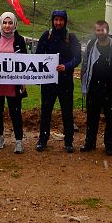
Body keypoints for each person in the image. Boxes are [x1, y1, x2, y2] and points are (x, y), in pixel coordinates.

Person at [35, 10, 81, 153]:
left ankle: (68, 141)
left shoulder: (71, 37)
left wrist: (66, 66)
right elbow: (38, 55)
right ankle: (43, 140)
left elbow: (77, 58)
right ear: (52, 21)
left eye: (61, 20)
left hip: (65, 81)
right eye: (56, 20)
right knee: (46, 111)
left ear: (65, 21)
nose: (58, 23)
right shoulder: (46, 36)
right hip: (48, 81)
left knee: (67, 111)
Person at [79, 20, 112, 156]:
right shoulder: (90, 45)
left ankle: (109, 145)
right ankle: (90, 142)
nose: (100, 33)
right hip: (94, 86)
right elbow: (85, 65)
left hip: (110, 88)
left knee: (110, 118)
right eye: (98, 30)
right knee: (92, 116)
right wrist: (84, 85)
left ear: (108, 30)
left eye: (103, 30)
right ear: (95, 31)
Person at [0, 12, 28, 154]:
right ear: (1, 23)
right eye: (5, 23)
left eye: (10, 23)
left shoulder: (20, 40)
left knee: (15, 113)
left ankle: (19, 141)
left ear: (14, 24)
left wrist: (23, 81)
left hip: (13, 84)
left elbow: (25, 62)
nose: (7, 26)